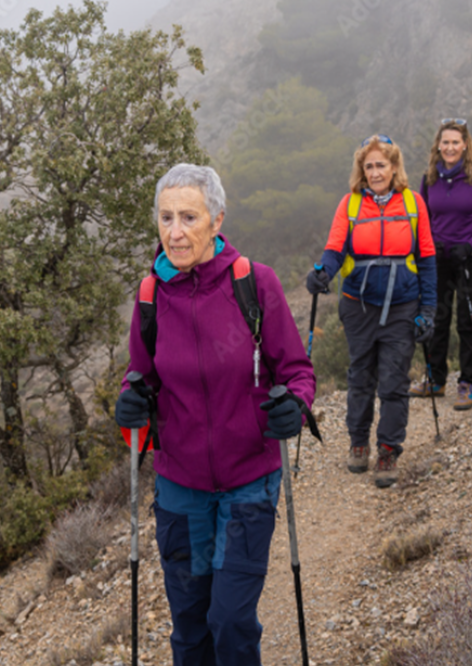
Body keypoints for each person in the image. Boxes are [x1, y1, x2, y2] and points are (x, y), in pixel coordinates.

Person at [114, 164, 315, 666]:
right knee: (190, 630)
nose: (174, 232)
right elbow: (140, 378)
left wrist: (294, 404)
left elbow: (295, 370)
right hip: (181, 490)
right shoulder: (150, 296)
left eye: (188, 217)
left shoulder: (254, 284)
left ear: (217, 219)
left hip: (250, 482)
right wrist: (129, 406)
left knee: (229, 622)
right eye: (165, 218)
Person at [306, 135, 437, 488]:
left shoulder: (414, 204)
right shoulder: (349, 205)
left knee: (394, 380)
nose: (375, 172)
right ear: (361, 171)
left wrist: (428, 309)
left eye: (381, 165)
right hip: (358, 307)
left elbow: (426, 259)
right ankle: (358, 442)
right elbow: (334, 250)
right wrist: (322, 273)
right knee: (361, 376)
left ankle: (389, 449)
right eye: (369, 166)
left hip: (402, 306)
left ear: (394, 167)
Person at [410, 119, 472, 410]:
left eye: (455, 142)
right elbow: (422, 217)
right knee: (437, 317)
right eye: (445, 142)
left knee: (467, 319)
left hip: (471, 258)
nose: (449, 147)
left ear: (465, 145)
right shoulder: (430, 177)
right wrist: (428, 244)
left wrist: (471, 245)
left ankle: (467, 383)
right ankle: (435, 379)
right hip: (438, 257)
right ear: (438, 145)